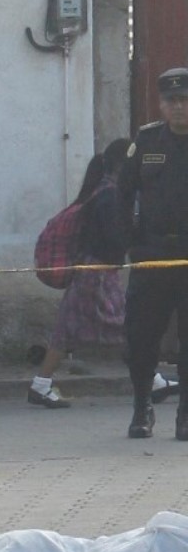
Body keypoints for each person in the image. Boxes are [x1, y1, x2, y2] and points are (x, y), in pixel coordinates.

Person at [27, 140, 179, 410]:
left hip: (93, 271)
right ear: (126, 164)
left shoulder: (103, 192)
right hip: (98, 274)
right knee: (128, 327)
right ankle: (151, 381)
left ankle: (41, 384)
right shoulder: (110, 195)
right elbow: (114, 236)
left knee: (72, 330)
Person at [118, 67, 188, 439]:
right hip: (153, 253)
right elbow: (122, 193)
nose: (179, 107)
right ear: (161, 104)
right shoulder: (146, 142)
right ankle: (142, 406)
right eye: (171, 101)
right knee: (141, 337)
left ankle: (185, 417)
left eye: (185, 100)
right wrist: (131, 243)